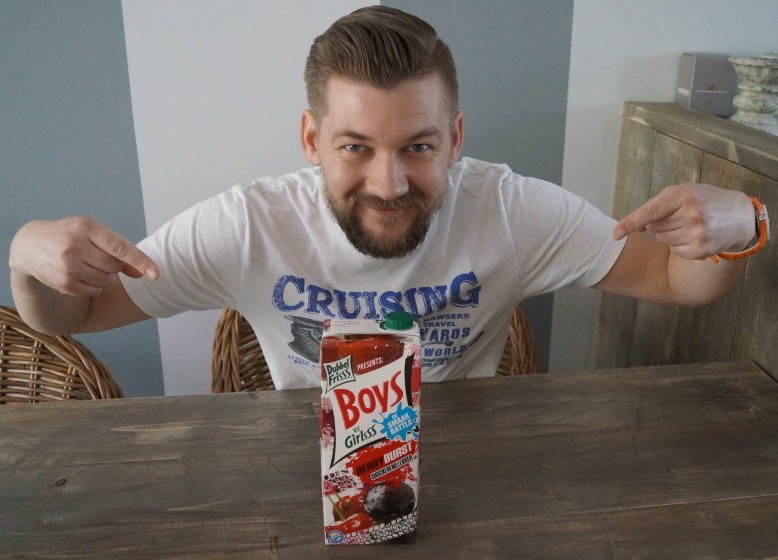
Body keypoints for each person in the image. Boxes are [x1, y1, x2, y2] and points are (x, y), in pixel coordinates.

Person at [8, 6, 765, 389]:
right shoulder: (248, 225)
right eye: (355, 148)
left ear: (455, 137)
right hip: (314, 484)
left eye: (418, 147)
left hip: (473, 478)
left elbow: (679, 282)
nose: (389, 184)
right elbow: (77, 316)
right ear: (311, 140)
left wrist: (744, 222)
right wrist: (26, 260)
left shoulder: (510, 211)